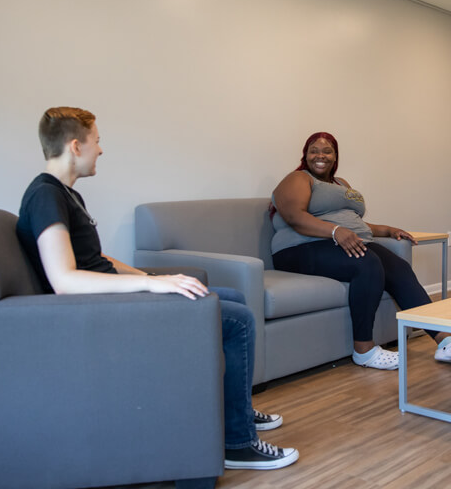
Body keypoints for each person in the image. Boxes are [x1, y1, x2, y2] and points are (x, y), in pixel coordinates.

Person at [15, 107, 298, 471]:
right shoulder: (45, 196)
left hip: (115, 299)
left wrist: (155, 280)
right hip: (98, 313)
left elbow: (96, 258)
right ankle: (238, 443)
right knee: (239, 319)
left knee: (232, 298)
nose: (100, 150)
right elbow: (65, 280)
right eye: (96, 141)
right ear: (75, 146)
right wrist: (151, 284)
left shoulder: (66, 195)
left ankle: (235, 410)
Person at [270, 131, 451, 370]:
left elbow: (352, 222)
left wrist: (386, 230)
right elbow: (295, 217)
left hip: (339, 241)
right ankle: (364, 351)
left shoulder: (340, 184)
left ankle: (444, 342)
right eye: (314, 150)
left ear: (335, 156)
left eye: (327, 151)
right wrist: (336, 231)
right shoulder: (298, 179)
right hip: (298, 248)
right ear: (305, 155)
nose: (320, 155)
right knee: (366, 263)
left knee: (399, 267)